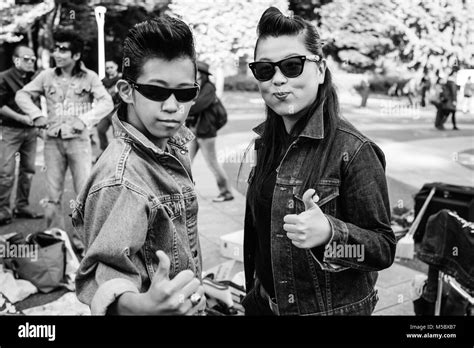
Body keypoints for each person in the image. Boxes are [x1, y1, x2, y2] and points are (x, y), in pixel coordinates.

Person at [242, 7, 396, 316]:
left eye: (292, 66)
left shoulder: (353, 150)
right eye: (265, 69)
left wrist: (330, 235)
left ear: (321, 69)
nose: (278, 79)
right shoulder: (267, 142)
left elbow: (382, 249)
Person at [73, 16, 206, 315]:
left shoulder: (171, 144)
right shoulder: (120, 179)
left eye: (185, 93)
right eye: (157, 92)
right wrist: (139, 307)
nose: (173, 106)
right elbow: (105, 273)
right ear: (126, 90)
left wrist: (200, 291)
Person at [15, 29, 114, 232]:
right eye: (56, 49)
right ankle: (55, 240)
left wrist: (85, 120)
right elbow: (22, 96)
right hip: (52, 142)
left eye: (63, 50)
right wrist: (37, 115)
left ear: (76, 55)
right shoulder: (46, 76)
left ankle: (83, 242)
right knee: (52, 196)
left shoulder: (90, 78)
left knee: (83, 194)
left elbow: (107, 102)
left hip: (79, 142)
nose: (57, 54)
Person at [0, 45, 43, 225]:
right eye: (27, 59)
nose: (31, 62)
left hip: (31, 131)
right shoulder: (3, 78)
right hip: (11, 130)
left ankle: (22, 206)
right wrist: (22, 118)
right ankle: (3, 210)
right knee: (6, 172)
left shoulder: (34, 78)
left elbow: (37, 102)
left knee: (29, 170)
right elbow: (1, 106)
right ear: (16, 60)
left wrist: (38, 122)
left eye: (33, 59)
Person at [186, 61, 234, 202]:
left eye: (196, 72)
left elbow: (197, 106)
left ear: (202, 74)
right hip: (194, 131)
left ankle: (226, 193)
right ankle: (184, 191)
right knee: (185, 162)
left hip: (206, 133)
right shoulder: (197, 87)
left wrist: (190, 104)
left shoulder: (208, 88)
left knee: (212, 163)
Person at [96, 60, 122, 157]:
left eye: (111, 67)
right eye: (107, 68)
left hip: (117, 111)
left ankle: (118, 153)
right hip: (107, 111)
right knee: (100, 129)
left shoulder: (121, 79)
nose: (109, 70)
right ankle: (104, 150)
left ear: (116, 66)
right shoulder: (103, 82)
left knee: (117, 133)